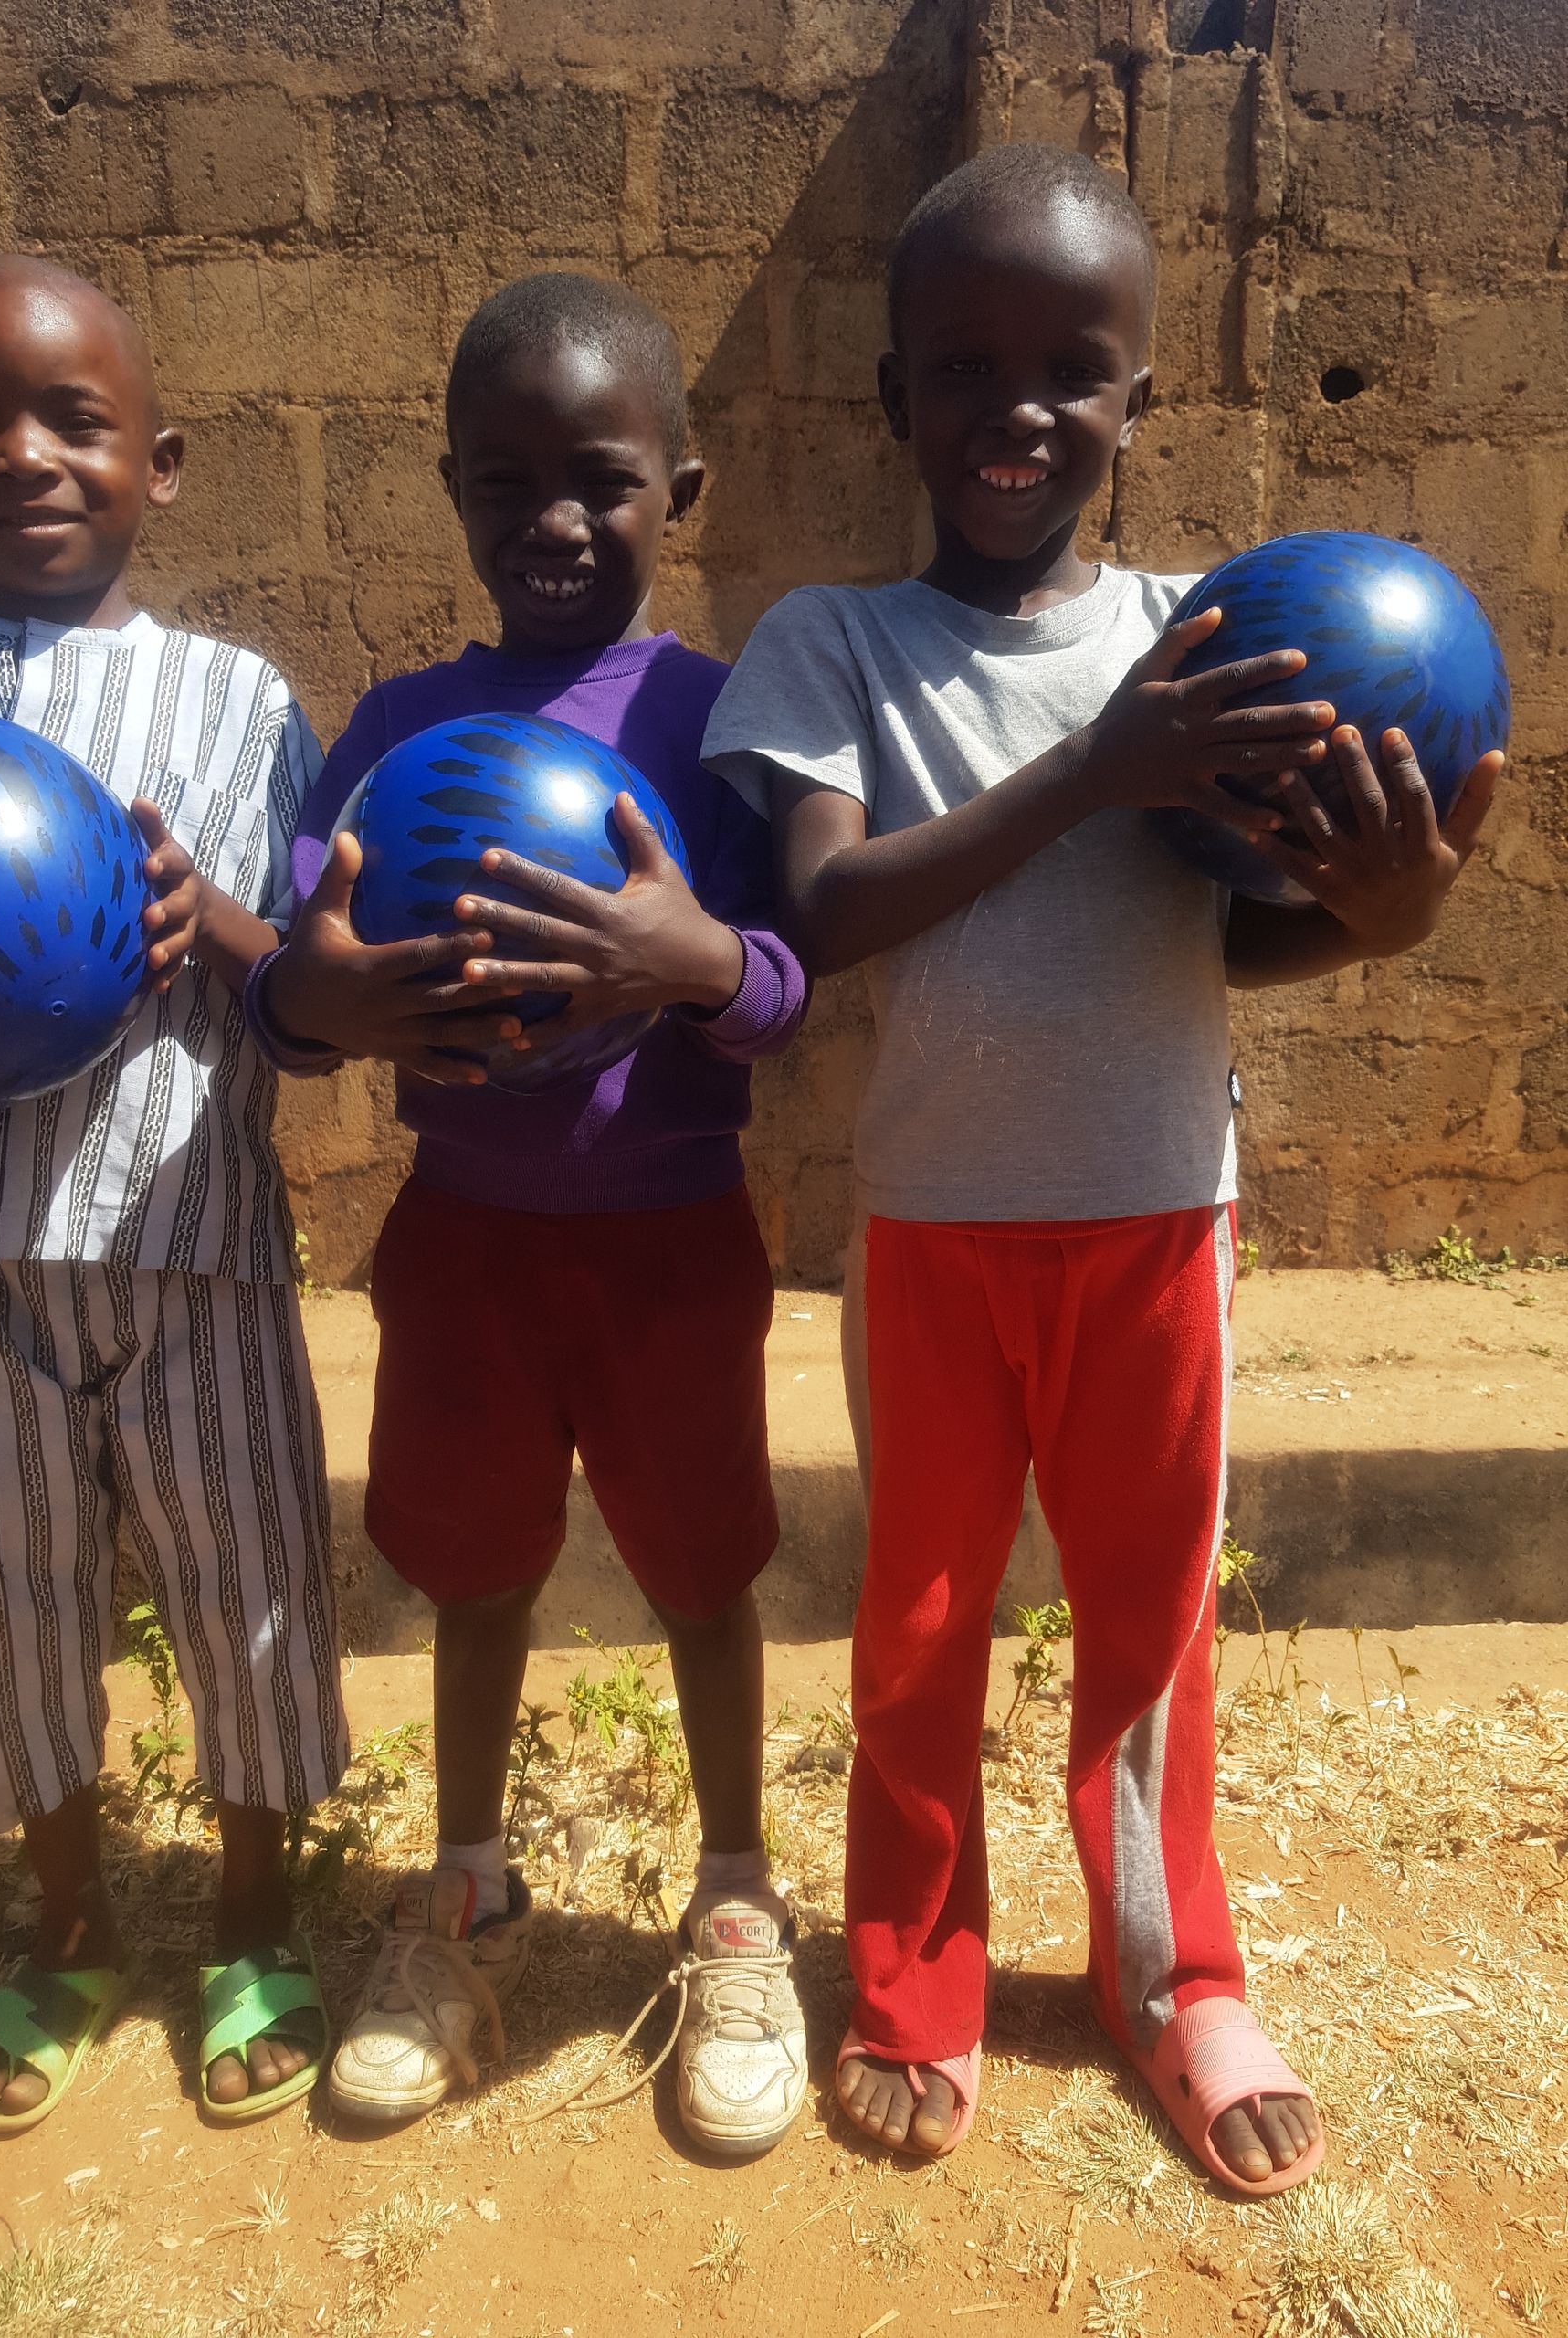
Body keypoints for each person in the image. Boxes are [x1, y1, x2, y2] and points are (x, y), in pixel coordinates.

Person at [701, 144, 1500, 2195]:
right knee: (920, 1624)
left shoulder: (1207, 634)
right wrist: (1092, 766)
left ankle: (1172, 1974)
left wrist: (1386, 921)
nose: (1020, 407)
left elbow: (1231, 932)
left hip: (1159, 1221)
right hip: (936, 1233)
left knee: (1150, 1631)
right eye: (966, 364)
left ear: (1143, 397)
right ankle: (915, 1973)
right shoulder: (833, 642)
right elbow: (827, 914)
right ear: (892, 393)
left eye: (1075, 366)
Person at [0, 257, 497, 2133]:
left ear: (161, 461)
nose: (25, 456)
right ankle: (66, 1928)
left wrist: (219, 926)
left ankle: (253, 1920)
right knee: (2, 1596)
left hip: (190, 1234)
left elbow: (299, 1002)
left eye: (75, 421)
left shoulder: (240, 699)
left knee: (248, 1582)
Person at [243, 270, 811, 2157]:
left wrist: (695, 959)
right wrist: (318, 997)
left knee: (704, 1577)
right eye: (506, 482)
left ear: (681, 489)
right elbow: (298, 981)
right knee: (476, 1575)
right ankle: (467, 1889)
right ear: (451, 493)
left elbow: (787, 988)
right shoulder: (401, 726)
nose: (554, 520)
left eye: (603, 479)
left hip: (673, 1243)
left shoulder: (718, 723)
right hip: (468, 1241)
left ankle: (734, 1896)